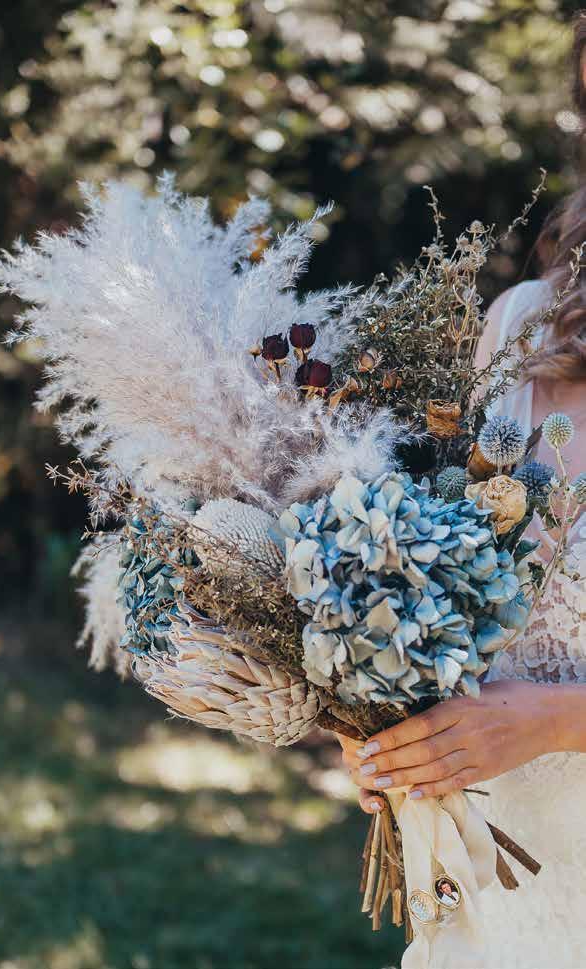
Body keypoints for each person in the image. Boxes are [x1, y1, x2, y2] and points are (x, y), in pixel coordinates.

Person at [339, 15, 586, 968]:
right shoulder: (522, 326)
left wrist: (552, 719)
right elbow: (454, 583)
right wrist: (383, 716)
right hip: (494, 882)